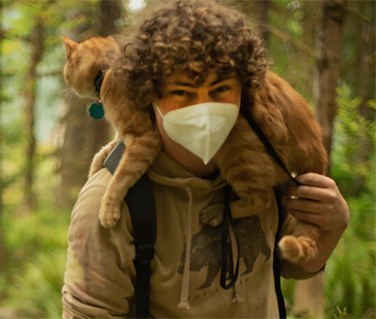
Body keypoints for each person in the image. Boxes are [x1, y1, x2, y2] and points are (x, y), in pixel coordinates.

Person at [61, 1, 350, 318]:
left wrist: (334, 225)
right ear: (148, 94)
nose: (204, 108)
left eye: (220, 89)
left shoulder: (263, 167)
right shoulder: (110, 202)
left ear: (244, 90)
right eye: (183, 92)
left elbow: (294, 264)